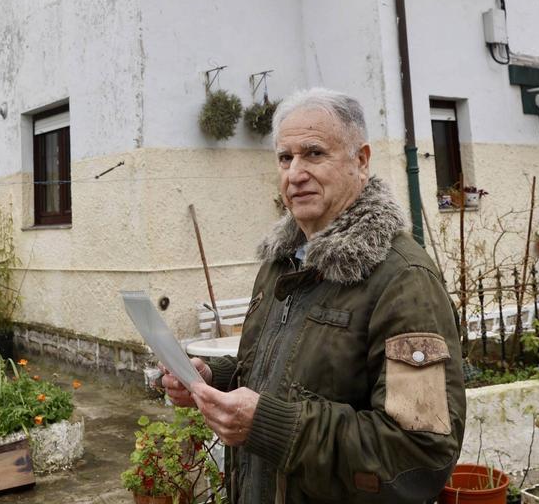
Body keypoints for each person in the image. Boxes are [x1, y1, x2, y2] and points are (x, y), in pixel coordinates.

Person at [162, 88, 465, 503]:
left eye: (314, 153)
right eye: (285, 158)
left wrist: (271, 425)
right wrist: (214, 379)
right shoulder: (282, 264)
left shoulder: (403, 279)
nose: (295, 173)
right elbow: (292, 370)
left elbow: (419, 454)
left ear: (361, 161)